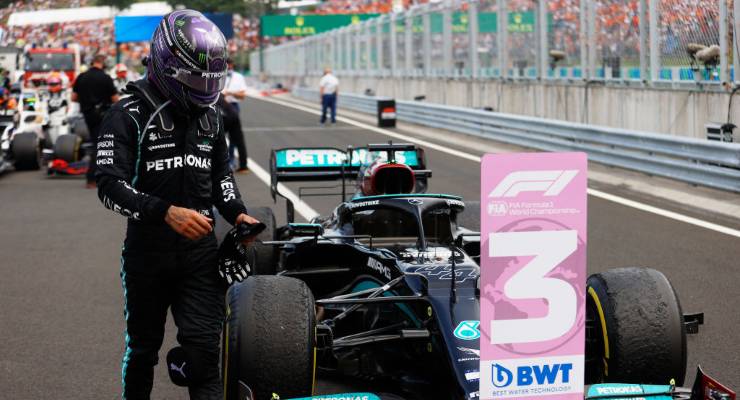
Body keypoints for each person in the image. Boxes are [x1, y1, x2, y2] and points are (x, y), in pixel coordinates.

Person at [95, 10, 261, 400]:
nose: (205, 87)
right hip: (146, 255)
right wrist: (164, 212)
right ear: (166, 64)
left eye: (210, 79)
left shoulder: (212, 116)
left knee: (204, 354)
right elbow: (108, 185)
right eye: (196, 77)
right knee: (143, 351)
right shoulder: (127, 114)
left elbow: (220, 176)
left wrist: (237, 213)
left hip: (200, 256)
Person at [72, 54, 118, 188]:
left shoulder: (81, 77)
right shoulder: (105, 78)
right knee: (100, 146)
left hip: (88, 115)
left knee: (97, 144)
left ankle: (98, 176)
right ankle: (92, 178)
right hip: (103, 115)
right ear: (103, 63)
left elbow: (74, 98)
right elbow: (115, 99)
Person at [221, 58, 248, 172]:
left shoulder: (238, 77)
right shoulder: (218, 74)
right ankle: (224, 163)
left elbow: (242, 95)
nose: (228, 66)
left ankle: (234, 162)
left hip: (232, 106)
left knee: (235, 137)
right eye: (226, 64)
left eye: (230, 64)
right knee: (220, 136)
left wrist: (230, 93)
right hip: (220, 105)